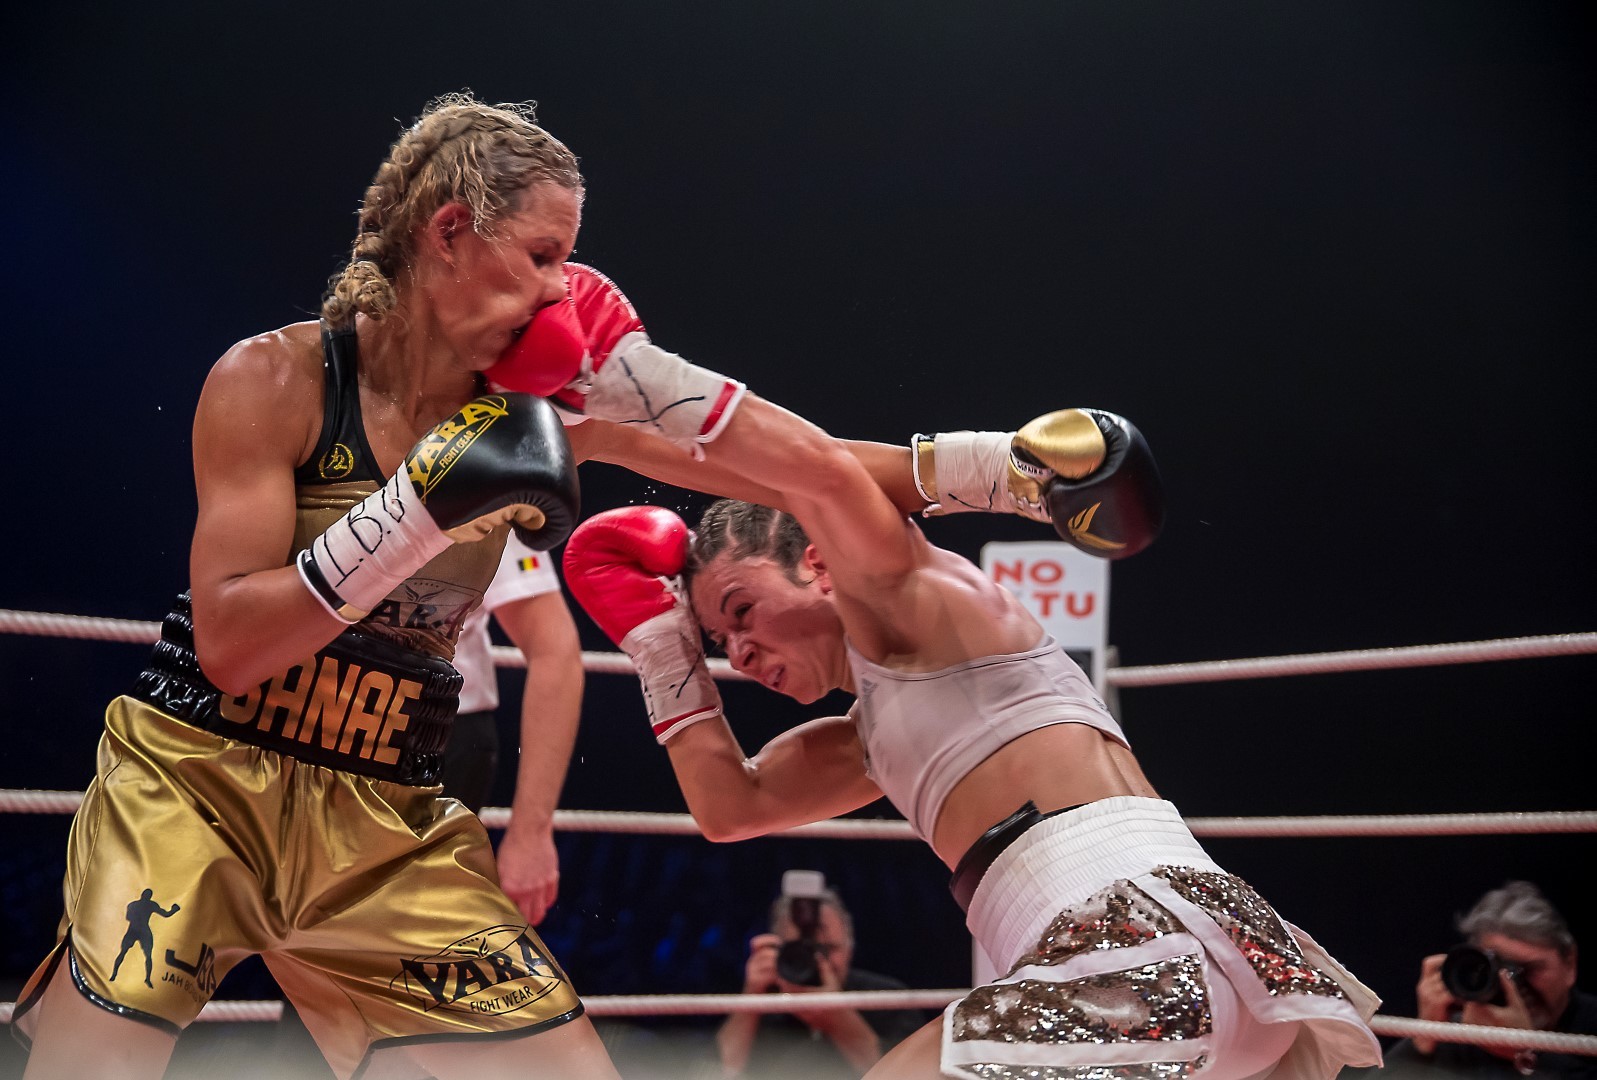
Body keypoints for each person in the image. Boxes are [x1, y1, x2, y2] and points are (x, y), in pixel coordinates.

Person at [10, 92, 1125, 1080]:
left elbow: (806, 467)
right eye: (542, 256)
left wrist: (1014, 474)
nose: (566, 287)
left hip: (384, 810)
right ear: (450, 232)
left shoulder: (553, 414)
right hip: (199, 777)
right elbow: (233, 645)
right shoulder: (276, 381)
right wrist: (416, 509)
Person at [553, 280, 1381, 1076]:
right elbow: (729, 807)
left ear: (818, 562)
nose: (736, 650)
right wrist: (662, 647)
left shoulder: (910, 601)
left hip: (1139, 951)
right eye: (717, 638)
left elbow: (816, 475)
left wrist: (622, 414)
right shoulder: (876, 734)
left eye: (739, 610)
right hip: (1191, 968)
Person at [445, 532, 582, 926]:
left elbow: (554, 647)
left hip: (440, 741)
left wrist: (531, 832)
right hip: (297, 726)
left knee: (405, 948)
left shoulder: (486, 477)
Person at [717, 874, 929, 1079]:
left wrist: (839, 1018)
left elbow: (913, 1076)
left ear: (850, 948)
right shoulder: (761, 1002)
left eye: (828, 949)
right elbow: (715, 1071)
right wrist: (750, 1000)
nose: (819, 961)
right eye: (802, 950)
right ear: (778, 949)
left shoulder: (887, 999)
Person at [1377, 881, 1596, 1077]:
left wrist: (1525, 1053)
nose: (1513, 985)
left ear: (1570, 963)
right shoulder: (1461, 1032)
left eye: (1528, 969)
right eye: (1498, 968)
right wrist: (1423, 1039)